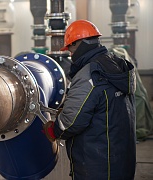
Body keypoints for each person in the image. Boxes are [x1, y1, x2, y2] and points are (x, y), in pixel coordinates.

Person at [43, 19, 136, 180]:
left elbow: (71, 122)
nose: (70, 54)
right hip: (122, 159)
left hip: (97, 165)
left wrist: (55, 129)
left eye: (70, 47)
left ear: (80, 43)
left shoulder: (89, 73)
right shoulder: (117, 64)